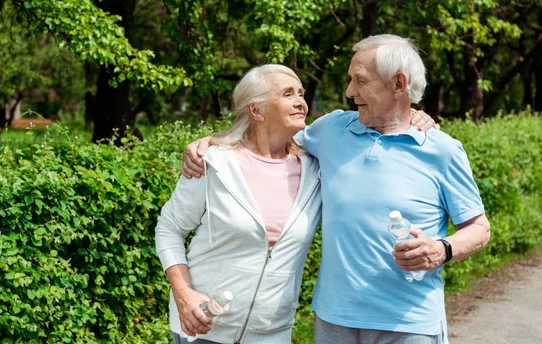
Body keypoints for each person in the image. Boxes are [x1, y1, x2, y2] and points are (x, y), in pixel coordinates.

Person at [182, 34, 490, 344]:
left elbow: (479, 229)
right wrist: (212, 143)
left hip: (409, 324)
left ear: (399, 84)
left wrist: (441, 249)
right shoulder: (329, 130)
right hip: (334, 322)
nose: (349, 91)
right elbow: (264, 139)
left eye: (360, 81)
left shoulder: (442, 150)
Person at [155, 64, 323, 344]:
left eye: (301, 94)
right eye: (288, 94)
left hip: (272, 334)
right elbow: (169, 228)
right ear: (255, 110)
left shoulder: (315, 169)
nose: (300, 102)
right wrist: (183, 295)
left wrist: (413, 115)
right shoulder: (213, 162)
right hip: (204, 329)